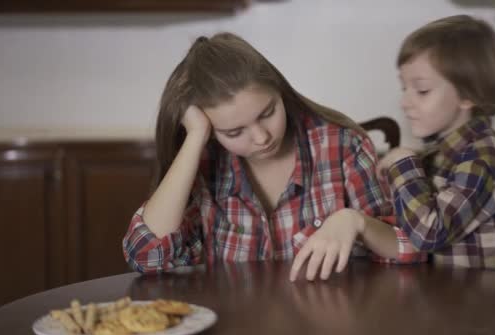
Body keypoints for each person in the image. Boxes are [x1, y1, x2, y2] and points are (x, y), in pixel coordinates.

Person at [123, 33, 425, 281]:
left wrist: (357, 222)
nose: (261, 137)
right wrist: (195, 137)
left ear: (280, 91)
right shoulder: (204, 162)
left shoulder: (342, 144)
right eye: (234, 131)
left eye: (267, 113)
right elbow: (146, 257)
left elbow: (412, 249)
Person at [377, 15, 495, 272]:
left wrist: (403, 164)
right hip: (442, 301)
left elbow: (429, 232)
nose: (405, 102)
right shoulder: (441, 153)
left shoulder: (482, 158)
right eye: (404, 88)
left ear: (467, 95)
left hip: (478, 305)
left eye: (421, 90)